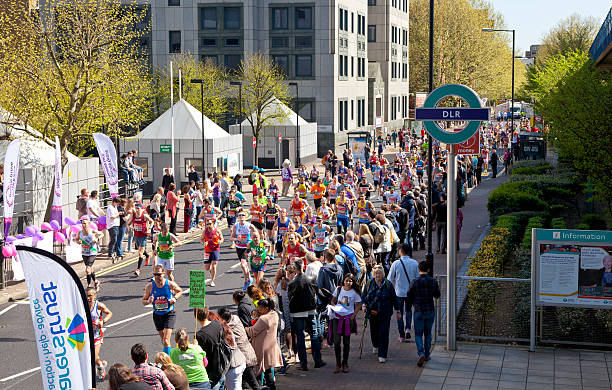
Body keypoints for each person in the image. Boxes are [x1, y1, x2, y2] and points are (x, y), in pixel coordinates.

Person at [288, 259, 326, 371]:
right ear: (303, 266)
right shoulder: (311, 279)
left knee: (300, 338)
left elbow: (290, 297)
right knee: (313, 334)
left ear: (295, 268)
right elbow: (318, 293)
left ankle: (304, 364)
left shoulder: (292, 283)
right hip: (311, 310)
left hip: (297, 313)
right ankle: (317, 361)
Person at [142, 265, 184, 355]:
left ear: (163, 274)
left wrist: (175, 299)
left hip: (169, 313)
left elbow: (180, 291)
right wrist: (148, 301)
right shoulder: (150, 287)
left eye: (159, 274)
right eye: (155, 274)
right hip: (157, 315)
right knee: (164, 339)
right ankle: (169, 350)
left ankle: (169, 361)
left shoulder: (169, 284)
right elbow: (143, 301)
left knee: (165, 340)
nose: (157, 276)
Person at [361, 265, 399, 363]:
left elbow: (394, 298)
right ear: (373, 274)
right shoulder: (369, 284)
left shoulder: (388, 284)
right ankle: (376, 345)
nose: (378, 275)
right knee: (374, 332)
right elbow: (363, 296)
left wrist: (398, 311)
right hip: (372, 313)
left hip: (385, 313)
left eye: (380, 273)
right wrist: (364, 305)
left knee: (384, 333)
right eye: (376, 273)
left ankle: (382, 354)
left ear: (383, 274)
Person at [217, 307, 261, 390]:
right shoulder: (236, 318)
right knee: (245, 384)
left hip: (243, 357)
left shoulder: (227, 328)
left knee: (253, 384)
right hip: (248, 352)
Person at [407, 261, 441, 366]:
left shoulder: (414, 282)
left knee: (418, 334)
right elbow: (437, 295)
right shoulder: (433, 281)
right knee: (428, 333)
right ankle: (427, 354)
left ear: (418, 270)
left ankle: (420, 352)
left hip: (418, 311)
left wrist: (410, 306)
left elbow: (409, 295)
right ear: (428, 270)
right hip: (430, 310)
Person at [245, 298, 283, 389]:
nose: (258, 310)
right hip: (271, 347)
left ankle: (259, 387)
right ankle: (272, 387)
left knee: (257, 370)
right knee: (268, 369)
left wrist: (245, 328)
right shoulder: (274, 314)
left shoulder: (263, 318)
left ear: (266, 308)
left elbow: (252, 331)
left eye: (260, 308)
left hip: (261, 348)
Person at [328, 273, 362, 373]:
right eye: (346, 280)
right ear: (343, 280)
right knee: (337, 342)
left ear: (353, 282)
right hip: (337, 319)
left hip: (348, 320)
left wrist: (353, 315)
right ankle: (338, 363)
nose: (348, 283)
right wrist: (334, 307)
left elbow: (358, 305)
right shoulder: (338, 289)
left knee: (346, 343)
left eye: (350, 281)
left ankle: (345, 363)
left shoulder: (354, 292)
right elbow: (332, 301)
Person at [387, 243, 419, 342]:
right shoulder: (415, 263)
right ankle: (408, 328)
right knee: (409, 311)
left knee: (399, 313)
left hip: (399, 293)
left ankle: (401, 335)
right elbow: (418, 278)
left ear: (400, 251)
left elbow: (389, 279)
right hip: (410, 293)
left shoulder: (396, 264)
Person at [194, 307, 227, 390]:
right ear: (207, 313)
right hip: (222, 366)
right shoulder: (216, 323)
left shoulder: (200, 335)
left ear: (196, 317)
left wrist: (195, 347)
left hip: (211, 371)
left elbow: (201, 355)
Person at [87, 287, 113, 380]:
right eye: (87, 296)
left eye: (90, 296)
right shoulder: (83, 305)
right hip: (87, 336)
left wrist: (103, 322)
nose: (88, 298)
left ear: (95, 296)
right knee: (94, 356)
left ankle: (97, 372)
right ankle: (101, 364)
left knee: (92, 357)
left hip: (97, 335)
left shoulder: (99, 306)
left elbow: (109, 313)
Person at [230, 211, 258, 289]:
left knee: (243, 264)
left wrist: (254, 245)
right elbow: (231, 237)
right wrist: (236, 239)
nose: (241, 216)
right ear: (238, 217)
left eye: (243, 215)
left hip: (247, 248)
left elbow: (257, 236)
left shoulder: (249, 226)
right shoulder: (236, 226)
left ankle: (246, 280)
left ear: (245, 217)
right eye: (239, 215)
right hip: (239, 247)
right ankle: (250, 278)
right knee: (244, 266)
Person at [79, 216, 104, 291]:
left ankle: (89, 286)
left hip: (92, 252)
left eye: (85, 223)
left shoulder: (92, 231)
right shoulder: (80, 233)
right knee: (90, 269)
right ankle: (96, 281)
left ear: (89, 224)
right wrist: (78, 241)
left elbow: (102, 234)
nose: (84, 225)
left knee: (87, 269)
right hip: (84, 253)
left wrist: (97, 239)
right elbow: (76, 239)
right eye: (83, 223)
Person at [128, 202, 153, 276]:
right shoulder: (133, 215)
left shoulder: (144, 215)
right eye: (136, 208)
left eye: (138, 208)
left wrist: (149, 229)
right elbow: (128, 223)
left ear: (141, 208)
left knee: (140, 253)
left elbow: (152, 221)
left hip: (143, 235)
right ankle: (147, 256)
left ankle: (138, 269)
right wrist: (129, 226)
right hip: (136, 235)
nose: (137, 210)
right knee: (140, 249)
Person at [200, 218, 223, 287]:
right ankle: (211, 271)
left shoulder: (217, 231)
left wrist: (220, 241)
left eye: (210, 224)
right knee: (207, 268)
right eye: (207, 224)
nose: (208, 225)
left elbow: (222, 238)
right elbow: (201, 239)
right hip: (207, 250)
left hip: (215, 249)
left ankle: (212, 280)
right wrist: (203, 243)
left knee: (214, 265)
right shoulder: (205, 231)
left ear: (213, 223)